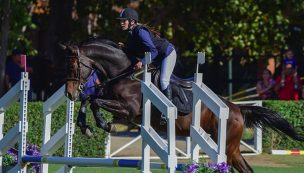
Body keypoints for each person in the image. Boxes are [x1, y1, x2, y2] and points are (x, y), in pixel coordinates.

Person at [117, 8, 177, 100]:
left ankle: (170, 107)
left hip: (167, 53)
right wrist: (124, 47)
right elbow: (135, 51)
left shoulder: (140, 32)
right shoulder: (131, 34)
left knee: (163, 80)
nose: (121, 23)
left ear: (132, 21)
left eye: (123, 20)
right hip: (157, 57)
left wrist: (142, 62)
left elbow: (154, 51)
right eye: (121, 21)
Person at [76, 70, 111, 137]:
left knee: (92, 108)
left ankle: (102, 125)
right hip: (86, 94)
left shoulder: (93, 72)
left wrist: (101, 85)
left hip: (93, 95)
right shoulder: (84, 71)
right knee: (84, 107)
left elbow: (97, 82)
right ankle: (101, 125)